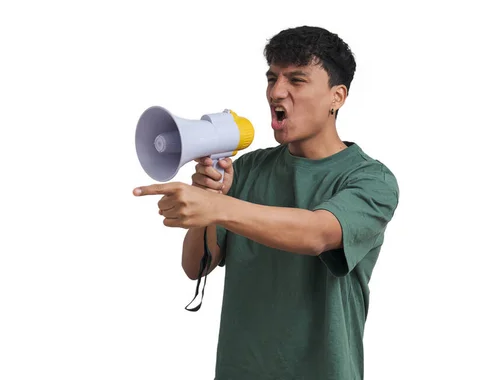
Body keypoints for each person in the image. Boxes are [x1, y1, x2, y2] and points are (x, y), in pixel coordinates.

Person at [133, 25, 399, 380]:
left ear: (337, 96)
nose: (277, 91)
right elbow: (196, 266)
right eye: (272, 78)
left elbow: (318, 233)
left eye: (297, 81)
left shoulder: (370, 180)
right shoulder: (248, 169)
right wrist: (209, 197)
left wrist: (218, 207)